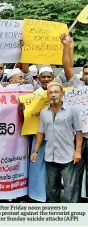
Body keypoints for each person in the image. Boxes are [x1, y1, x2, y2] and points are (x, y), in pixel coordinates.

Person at [30, 81, 83, 203]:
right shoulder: (44, 112)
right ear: (47, 95)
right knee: (51, 189)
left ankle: (74, 214)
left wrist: (78, 151)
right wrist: (35, 151)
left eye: (56, 92)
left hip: (67, 156)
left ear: (62, 93)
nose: (53, 95)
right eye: (50, 92)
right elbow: (41, 132)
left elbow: (79, 131)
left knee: (70, 190)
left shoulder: (71, 111)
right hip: (50, 156)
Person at [59, 33, 87, 202]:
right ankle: (73, 206)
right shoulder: (78, 86)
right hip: (80, 138)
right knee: (74, 173)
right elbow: (68, 67)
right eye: (86, 73)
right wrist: (67, 46)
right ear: (82, 75)